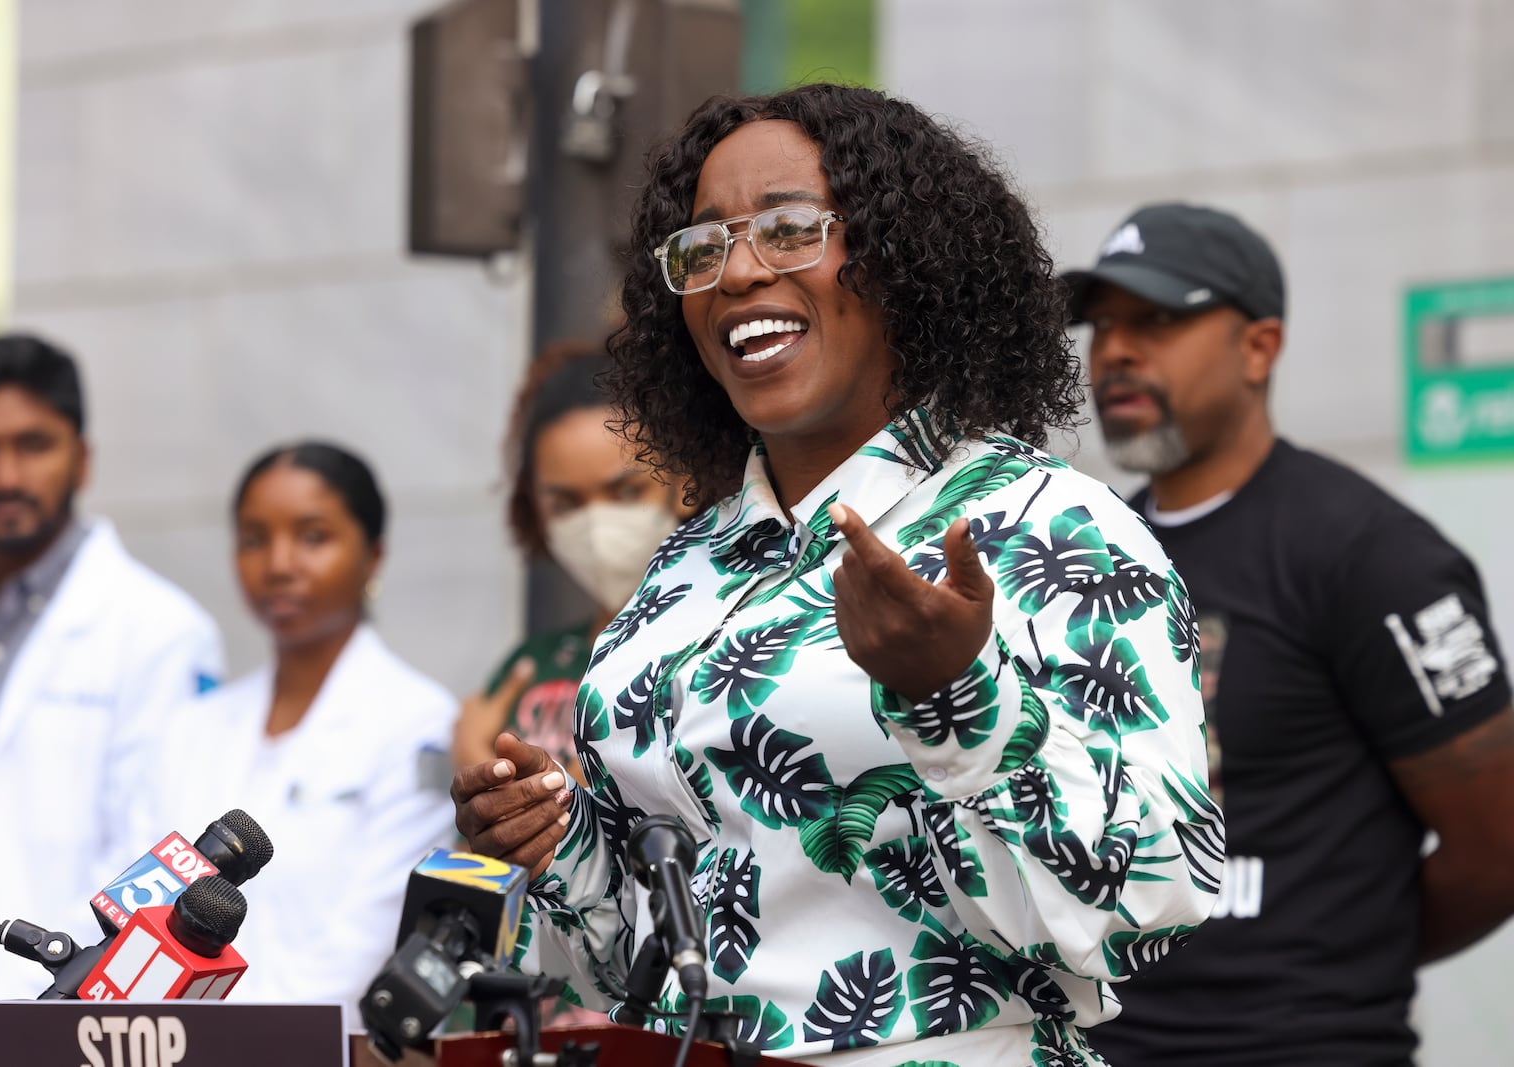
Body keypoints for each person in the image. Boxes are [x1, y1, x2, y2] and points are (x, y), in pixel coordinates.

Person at [452, 83, 1224, 1065]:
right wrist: (552, 841)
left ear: (905, 261)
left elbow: (1152, 894)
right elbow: (641, 957)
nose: (734, 271)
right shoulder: (685, 567)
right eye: (703, 246)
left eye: (785, 231)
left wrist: (959, 700)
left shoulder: (1050, 527)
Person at [1063, 202, 1514, 1065]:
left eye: (1156, 318)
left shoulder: (1372, 554)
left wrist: (1339, 951)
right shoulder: (1086, 555)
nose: (1114, 349)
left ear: (1259, 346)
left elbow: (1496, 846)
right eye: (1103, 323)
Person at [0, 334, 223, 999]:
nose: (6, 477)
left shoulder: (161, 632)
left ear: (82, 459)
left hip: (56, 1020)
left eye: (33, 444)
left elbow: (161, 871)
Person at [126, 441, 459, 1031]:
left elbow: (367, 947)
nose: (278, 563)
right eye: (254, 539)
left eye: (313, 536)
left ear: (373, 556)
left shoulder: (419, 725)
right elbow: (136, 913)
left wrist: (211, 1039)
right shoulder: (191, 726)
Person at [454, 341, 692, 784]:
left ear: (684, 476)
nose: (597, 526)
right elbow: (472, 849)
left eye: (625, 493)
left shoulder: (721, 653)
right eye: (566, 504)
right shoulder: (532, 663)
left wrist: (476, 758)